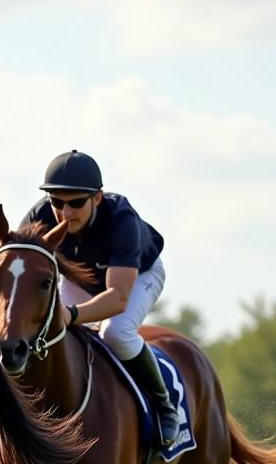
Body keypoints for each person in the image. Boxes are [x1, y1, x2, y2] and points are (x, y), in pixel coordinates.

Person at [21, 150, 180, 446]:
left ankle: (165, 408)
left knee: (116, 332)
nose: (65, 213)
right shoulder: (38, 217)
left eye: (76, 203)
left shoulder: (121, 219)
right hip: (79, 280)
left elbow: (117, 298)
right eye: (57, 202)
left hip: (138, 277)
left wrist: (73, 314)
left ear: (97, 198)